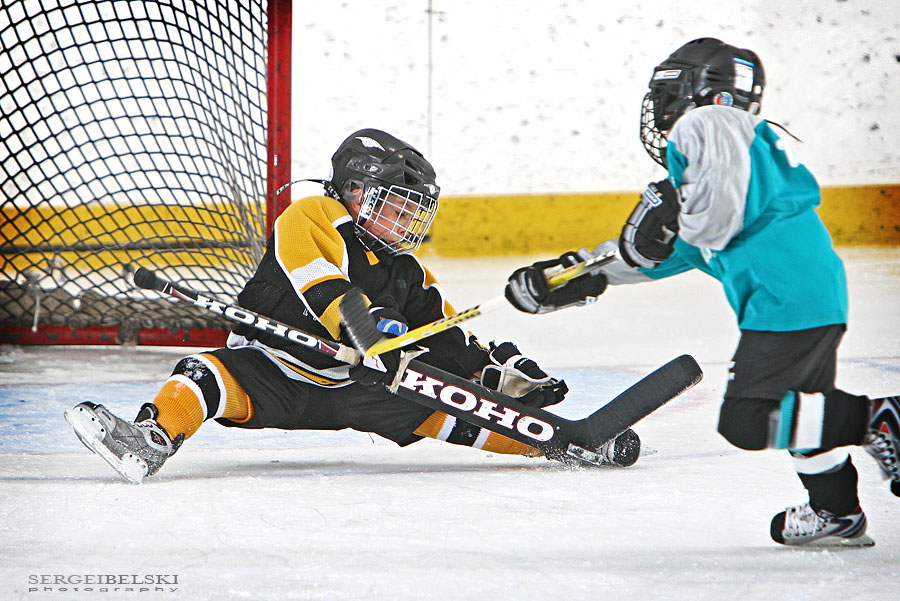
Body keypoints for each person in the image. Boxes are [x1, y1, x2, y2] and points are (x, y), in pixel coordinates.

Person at [65, 128, 641, 484]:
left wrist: (493, 371)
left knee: (454, 406)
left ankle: (562, 442)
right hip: (273, 373)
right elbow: (327, 292)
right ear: (355, 190)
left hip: (361, 390)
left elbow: (444, 335)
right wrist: (372, 338)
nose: (408, 221)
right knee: (203, 375)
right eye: (398, 205)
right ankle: (151, 439)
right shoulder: (310, 217)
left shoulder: (406, 269)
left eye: (416, 211)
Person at [504, 38, 899, 547]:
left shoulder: (712, 124)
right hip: (806, 292)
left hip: (787, 299)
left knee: (750, 419)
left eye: (669, 95)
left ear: (708, 94)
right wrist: (572, 277)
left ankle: (878, 419)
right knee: (803, 408)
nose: (662, 111)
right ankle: (836, 510)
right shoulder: (722, 168)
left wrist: (671, 207)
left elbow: (706, 225)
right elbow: (661, 254)